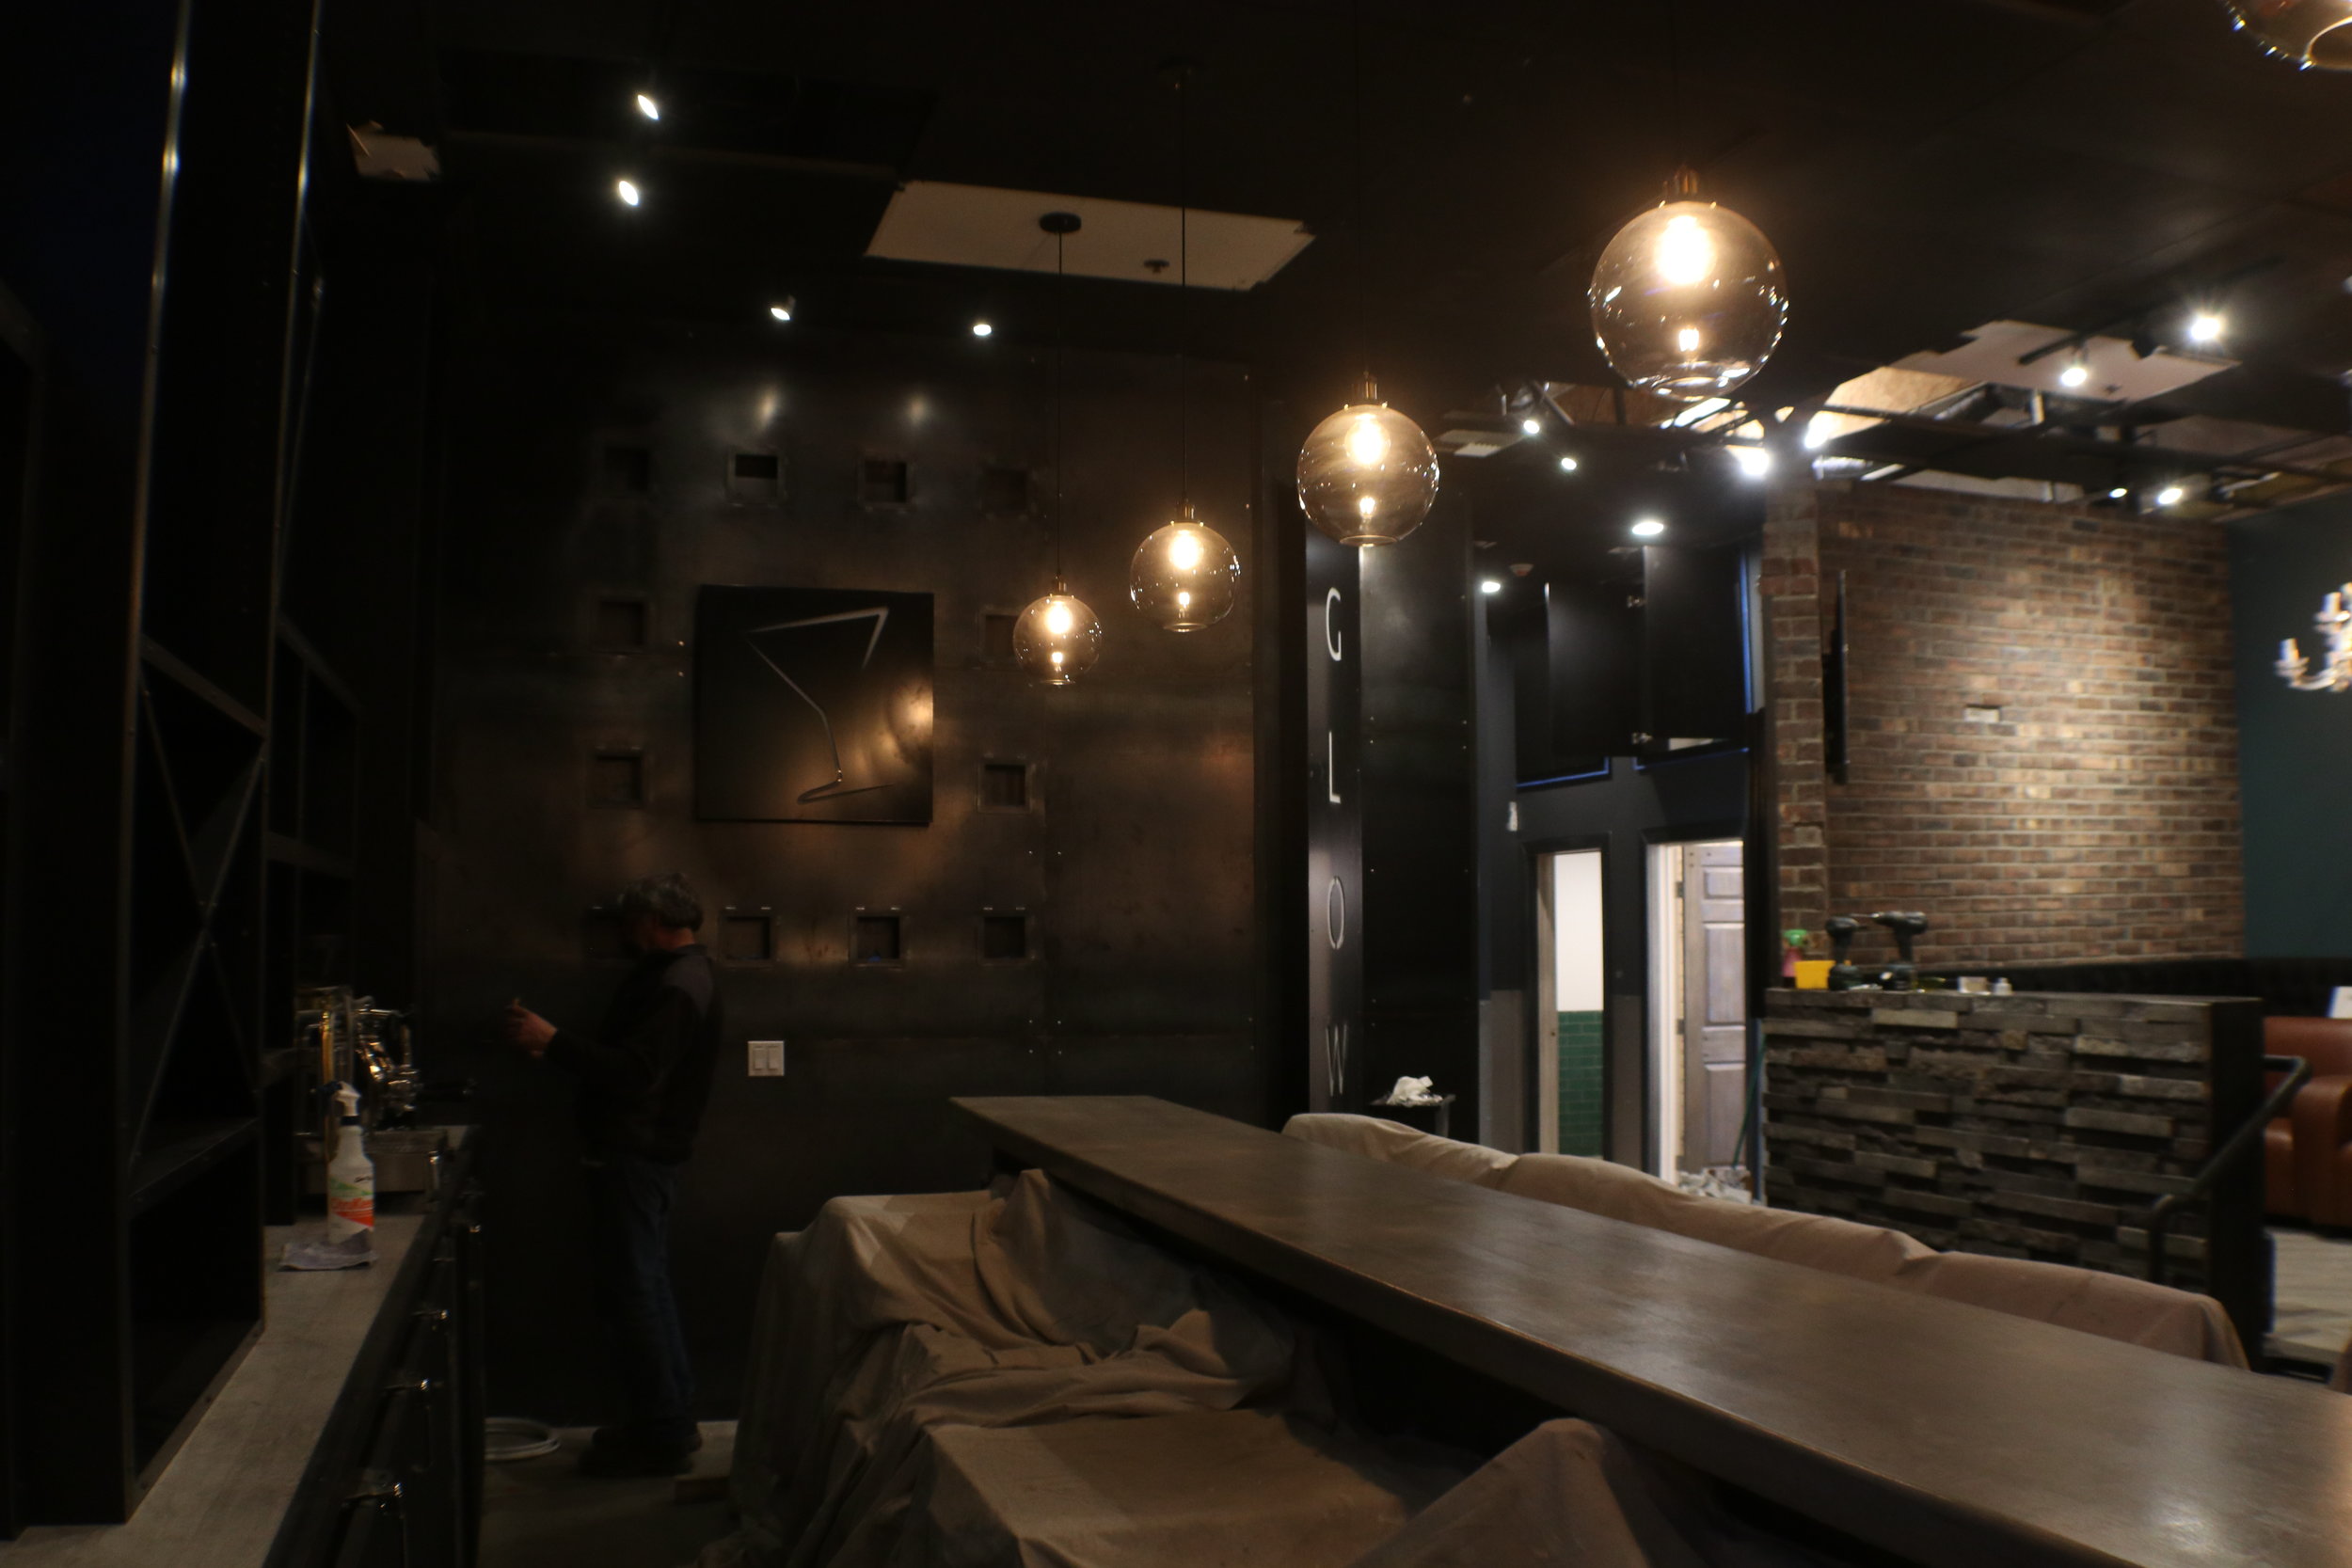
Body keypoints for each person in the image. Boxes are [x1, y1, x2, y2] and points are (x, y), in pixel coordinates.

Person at [505, 871, 723, 1476]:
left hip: (636, 1155)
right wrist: (555, 1048)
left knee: (634, 1293)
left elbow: (634, 1073)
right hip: (642, 1155)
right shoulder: (678, 975)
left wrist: (553, 1041)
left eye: (629, 922)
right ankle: (671, 1422)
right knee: (645, 1287)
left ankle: (662, 1434)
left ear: (653, 920)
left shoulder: (677, 982)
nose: (625, 933)